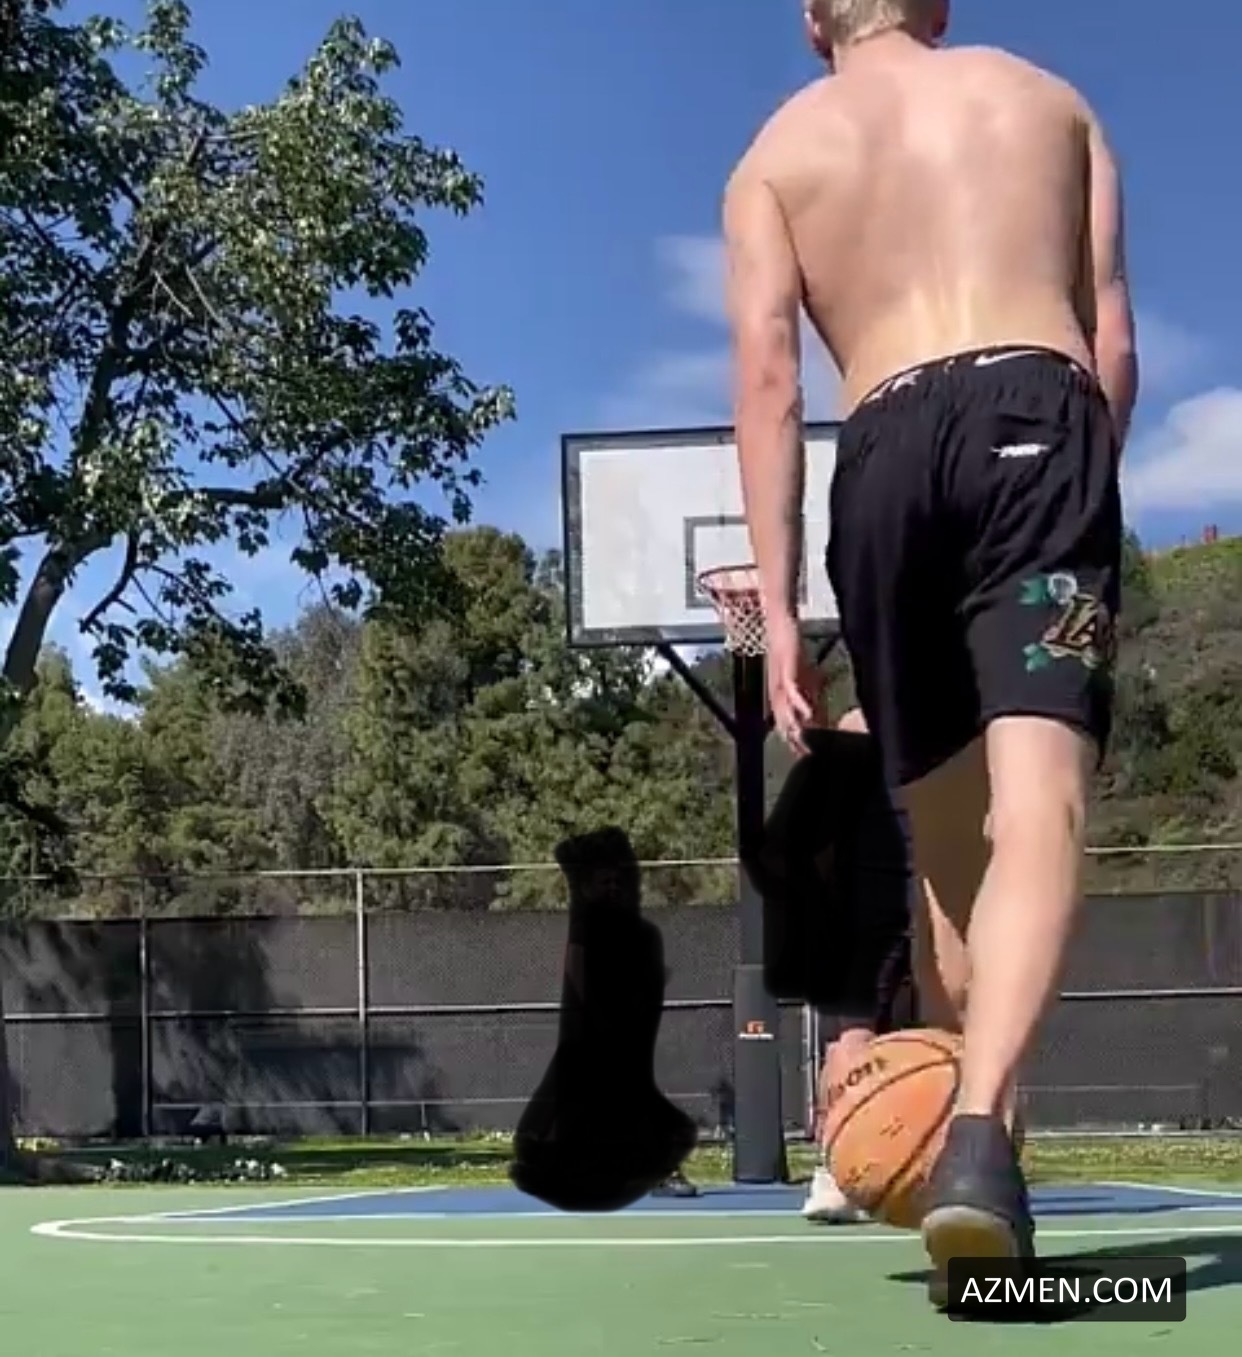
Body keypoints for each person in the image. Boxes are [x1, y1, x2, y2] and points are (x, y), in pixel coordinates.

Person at [723, 0, 1136, 1297]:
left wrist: (781, 611)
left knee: (950, 863)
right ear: (938, 4)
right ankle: (982, 1137)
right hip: (1039, 414)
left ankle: (980, 1167)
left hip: (883, 448)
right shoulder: (1052, 105)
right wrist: (1072, 499)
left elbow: (769, 381)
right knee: (1038, 802)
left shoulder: (773, 156)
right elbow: (1112, 342)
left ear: (812, 20)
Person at [799, 706, 918, 1222]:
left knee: (955, 1029)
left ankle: (960, 1161)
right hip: (875, 889)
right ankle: (837, 1166)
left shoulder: (974, 718)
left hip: (941, 879)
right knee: (854, 1036)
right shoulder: (860, 726)